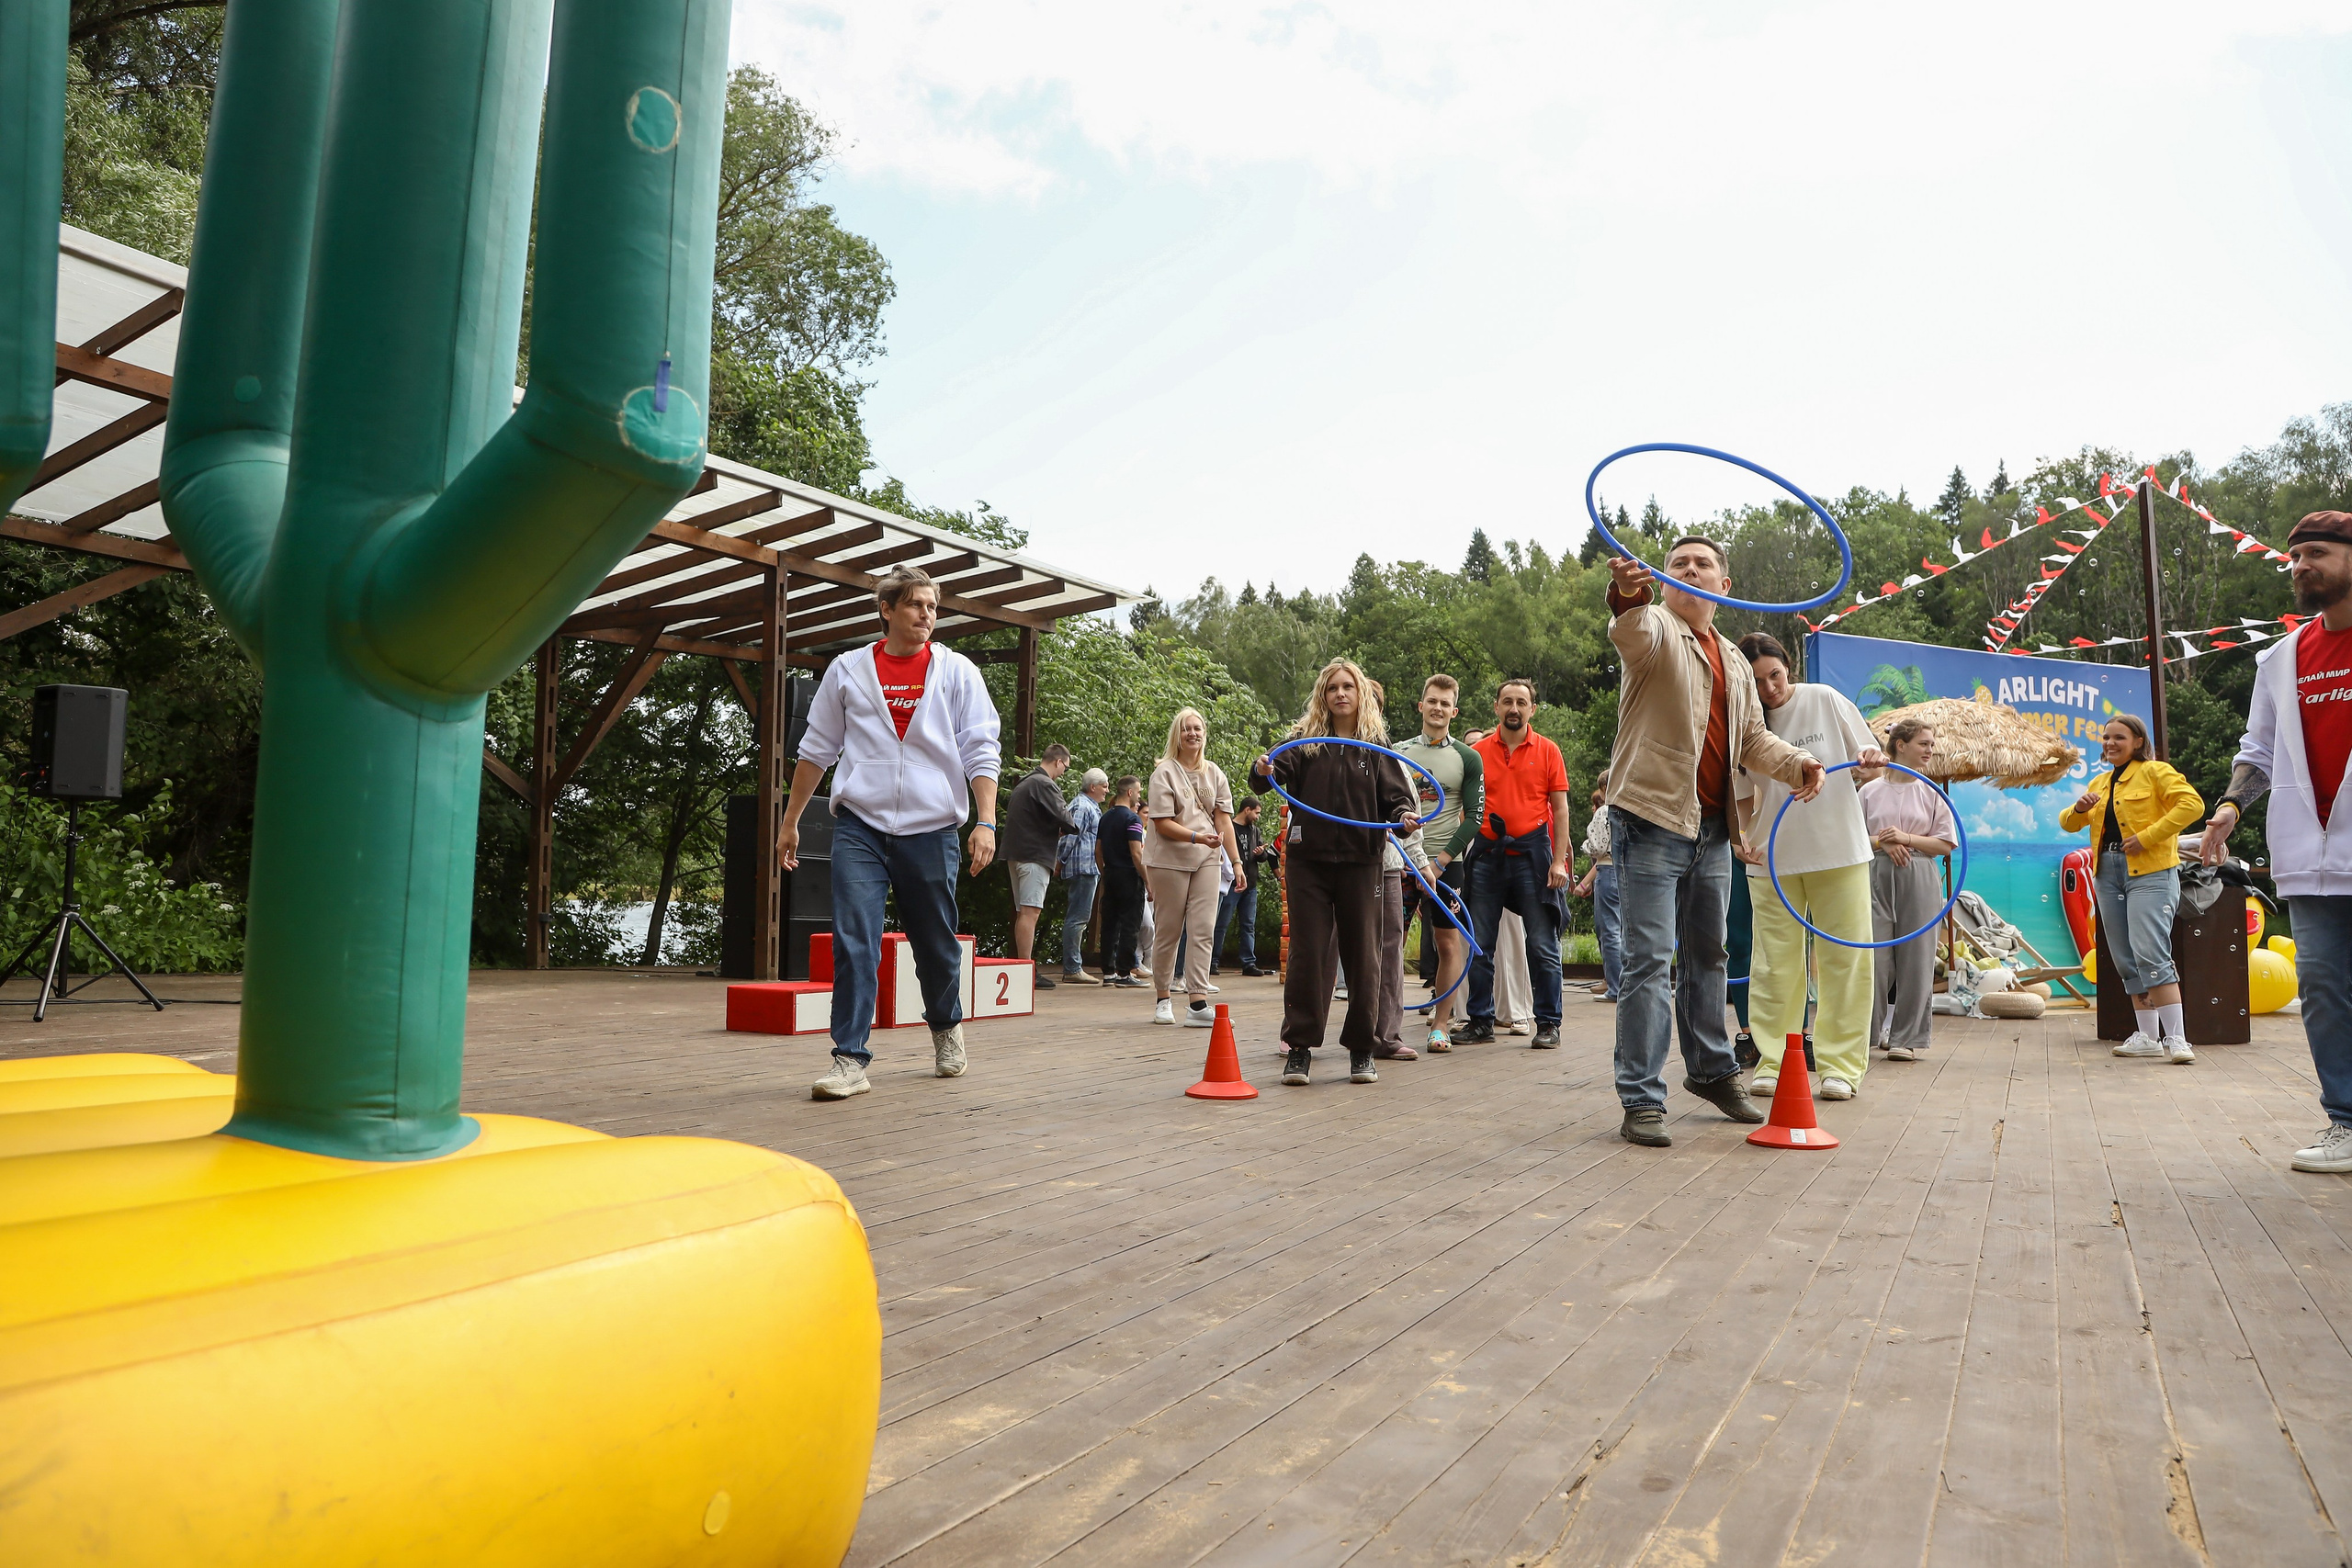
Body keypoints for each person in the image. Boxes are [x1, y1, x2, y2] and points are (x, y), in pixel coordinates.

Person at [1603, 540, 1824, 1147]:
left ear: (1725, 586)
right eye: (1679, 564)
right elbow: (1630, 627)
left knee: (1711, 956)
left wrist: (1800, 761)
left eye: (1703, 564)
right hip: (1650, 817)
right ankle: (1643, 1100)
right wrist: (1628, 592)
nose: (1691, 570)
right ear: (1666, 581)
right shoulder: (1655, 630)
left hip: (1713, 827)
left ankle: (1710, 1070)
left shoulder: (1733, 657)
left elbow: (1752, 740)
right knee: (1649, 961)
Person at [782, 565, 1001, 1101]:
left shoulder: (957, 671)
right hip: (861, 824)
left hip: (931, 828)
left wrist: (986, 820)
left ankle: (946, 1026)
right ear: (887, 610)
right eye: (915, 605)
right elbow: (816, 748)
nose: (927, 614)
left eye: (932, 606)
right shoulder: (848, 670)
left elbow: (981, 747)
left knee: (936, 944)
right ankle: (849, 1060)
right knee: (855, 940)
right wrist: (790, 822)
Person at [2200, 510, 2352, 1172]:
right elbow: (2256, 750)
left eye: (2316, 553)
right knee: (2321, 986)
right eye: (2295, 558)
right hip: (2312, 856)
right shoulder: (2280, 657)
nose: (2300, 567)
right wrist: (2231, 805)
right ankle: (2345, 1121)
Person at [1733, 634, 1885, 1101]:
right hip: (1772, 860)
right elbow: (1740, 795)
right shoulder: (1742, 721)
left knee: (1846, 958)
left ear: (1789, 668)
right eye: (1757, 681)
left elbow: (1872, 765)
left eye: (1775, 675)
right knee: (1774, 964)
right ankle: (1774, 1059)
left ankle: (1841, 1066)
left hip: (1838, 850)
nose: (1769, 688)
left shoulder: (1824, 699)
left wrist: (1872, 759)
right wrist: (1741, 841)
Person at [1251, 658, 1415, 1086]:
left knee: (1365, 956)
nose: (1340, 694)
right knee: (1307, 955)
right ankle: (1300, 1049)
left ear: (1360, 694)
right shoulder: (1304, 742)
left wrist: (1405, 816)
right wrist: (1263, 768)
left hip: (1362, 862)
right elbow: (1269, 776)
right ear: (1322, 695)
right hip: (1310, 861)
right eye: (1332, 688)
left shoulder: (1376, 747)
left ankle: (1362, 1049)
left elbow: (1397, 801)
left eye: (1348, 687)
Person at [2061, 714, 2205, 1062]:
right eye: (2106, 737)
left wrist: (2148, 836)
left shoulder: (2156, 772)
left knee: (2150, 950)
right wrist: (2079, 809)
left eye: (2119, 737)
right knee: (2126, 956)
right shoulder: (2101, 782)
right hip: (2107, 872)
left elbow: (2193, 805)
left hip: (2150, 871)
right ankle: (2147, 1036)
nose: (2110, 743)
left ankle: (2177, 1039)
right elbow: (2068, 823)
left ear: (2138, 741)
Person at [1451, 681, 1572, 1049]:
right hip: (1487, 852)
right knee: (1479, 942)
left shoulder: (1549, 750)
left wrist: (1559, 861)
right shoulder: (1478, 753)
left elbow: (1562, 809)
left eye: (1521, 702)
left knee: (1541, 942)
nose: (1514, 708)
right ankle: (1481, 1020)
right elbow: (1462, 807)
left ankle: (1549, 1023)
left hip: (1533, 854)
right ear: (1496, 707)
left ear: (1532, 709)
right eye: (1508, 702)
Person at [1395, 674, 1485, 1052]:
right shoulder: (1397, 751)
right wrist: (1409, 858)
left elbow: (1474, 817)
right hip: (1399, 860)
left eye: (1445, 703)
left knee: (1448, 945)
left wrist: (1439, 863)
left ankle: (1441, 1026)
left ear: (1454, 710)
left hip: (1447, 864)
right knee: (1388, 943)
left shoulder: (1468, 756)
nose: (1438, 708)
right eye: (1432, 701)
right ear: (1421, 705)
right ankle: (1386, 1024)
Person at [1859, 719, 1958, 1062]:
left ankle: (1906, 1037)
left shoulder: (1932, 792)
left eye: (1932, 744)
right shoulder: (1869, 791)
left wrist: (1906, 839)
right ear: (1900, 745)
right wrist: (1884, 843)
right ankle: (1865, 1034)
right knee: (1873, 955)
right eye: (1924, 743)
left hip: (1919, 870)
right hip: (1875, 871)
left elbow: (1946, 844)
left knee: (1917, 955)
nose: (1930, 750)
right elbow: (1851, 837)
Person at [1145, 709, 1245, 1027]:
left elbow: (1224, 820)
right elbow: (1160, 824)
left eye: (1198, 728)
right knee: (1169, 930)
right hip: (1169, 860)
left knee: (1203, 928)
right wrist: (1197, 837)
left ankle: (1197, 1001)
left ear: (1205, 733)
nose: (1193, 733)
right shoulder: (1164, 772)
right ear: (1178, 734)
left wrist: (1237, 861)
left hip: (1208, 859)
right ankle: (1163, 997)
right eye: (1186, 728)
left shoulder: (1214, 773)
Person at [1001, 742, 1073, 987]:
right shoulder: (1045, 784)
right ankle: (1025, 969)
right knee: (1030, 913)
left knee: (1024, 912)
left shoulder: (1024, 782)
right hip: (1034, 856)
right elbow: (1067, 819)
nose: (1064, 772)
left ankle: (1023, 966)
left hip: (1016, 854)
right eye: (1066, 767)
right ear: (1059, 762)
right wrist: (1063, 827)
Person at [1057, 768, 1109, 983]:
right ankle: (1072, 968)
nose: (1107, 790)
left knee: (1080, 917)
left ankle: (1073, 965)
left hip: (1089, 868)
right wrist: (1059, 861)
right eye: (1104, 785)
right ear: (1093, 787)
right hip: (1083, 867)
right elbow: (1070, 835)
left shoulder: (1091, 806)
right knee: (1077, 918)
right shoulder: (1081, 805)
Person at [1096, 775, 1148, 987]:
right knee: (1130, 924)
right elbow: (1137, 854)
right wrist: (1147, 881)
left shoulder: (1105, 817)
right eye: (1138, 791)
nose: (1139, 796)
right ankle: (1125, 973)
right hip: (1129, 875)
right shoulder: (1133, 819)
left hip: (1110, 874)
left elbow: (1098, 850)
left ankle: (1108, 972)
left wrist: (1104, 872)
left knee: (1109, 923)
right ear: (1129, 793)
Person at [1572, 786, 1621, 1002]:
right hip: (1626, 871)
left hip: (1607, 871)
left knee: (1608, 931)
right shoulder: (1628, 809)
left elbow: (1598, 848)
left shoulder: (1604, 812)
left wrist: (1584, 845)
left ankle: (1615, 987)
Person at [1213, 797, 1269, 976]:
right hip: (1231, 883)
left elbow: (1263, 856)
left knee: (1249, 925)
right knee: (1221, 922)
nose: (1258, 817)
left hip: (1250, 884)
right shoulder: (1229, 827)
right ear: (1247, 810)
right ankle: (1212, 961)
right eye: (1256, 812)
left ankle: (1249, 963)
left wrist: (1262, 853)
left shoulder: (1255, 831)